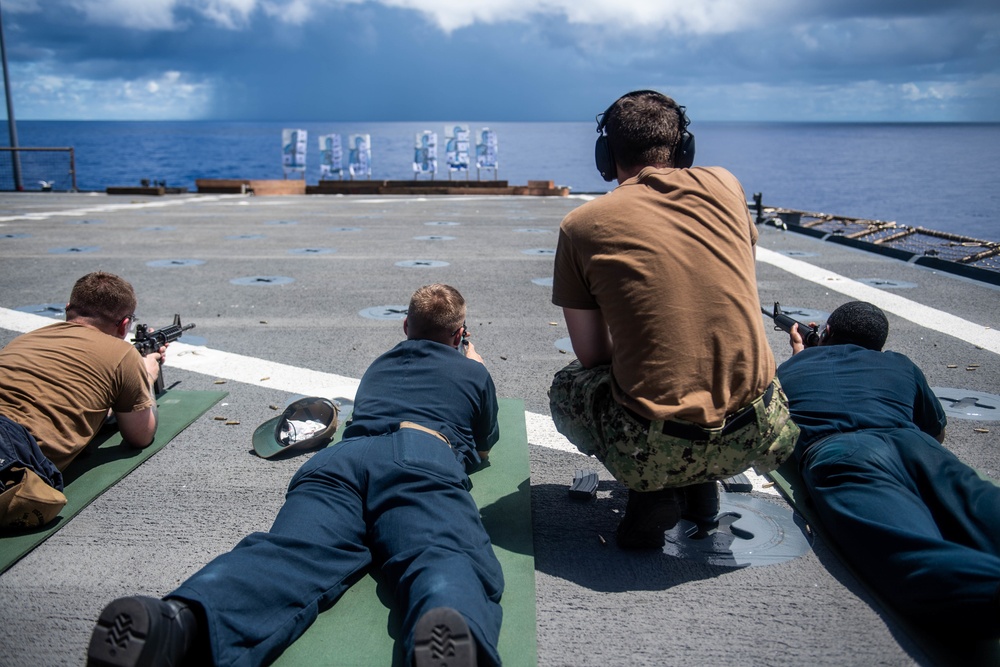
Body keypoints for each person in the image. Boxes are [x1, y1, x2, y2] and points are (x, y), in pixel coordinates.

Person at [87, 284, 504, 667]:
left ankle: (181, 622)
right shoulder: (472, 371)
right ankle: (451, 621)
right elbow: (484, 447)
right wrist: (474, 365)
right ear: (459, 333)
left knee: (289, 550)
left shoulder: (379, 366)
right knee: (441, 552)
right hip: (418, 455)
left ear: (405, 326)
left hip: (340, 461)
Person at [548, 89, 799, 549]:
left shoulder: (581, 225)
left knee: (570, 386)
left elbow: (592, 354)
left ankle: (656, 487)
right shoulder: (727, 185)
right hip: (758, 431)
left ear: (606, 156)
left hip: (653, 445)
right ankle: (701, 490)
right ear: (683, 149)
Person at [777, 301, 1000, 639]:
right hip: (917, 446)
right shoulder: (899, 363)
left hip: (842, 452)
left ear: (826, 333)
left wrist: (802, 356)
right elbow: (936, 431)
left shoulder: (789, 370)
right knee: (981, 503)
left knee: (912, 552)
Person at [0, 272, 162, 524]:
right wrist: (147, 376)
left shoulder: (24, 341)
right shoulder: (122, 354)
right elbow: (141, 435)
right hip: (13, 448)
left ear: (68, 311)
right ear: (124, 325)